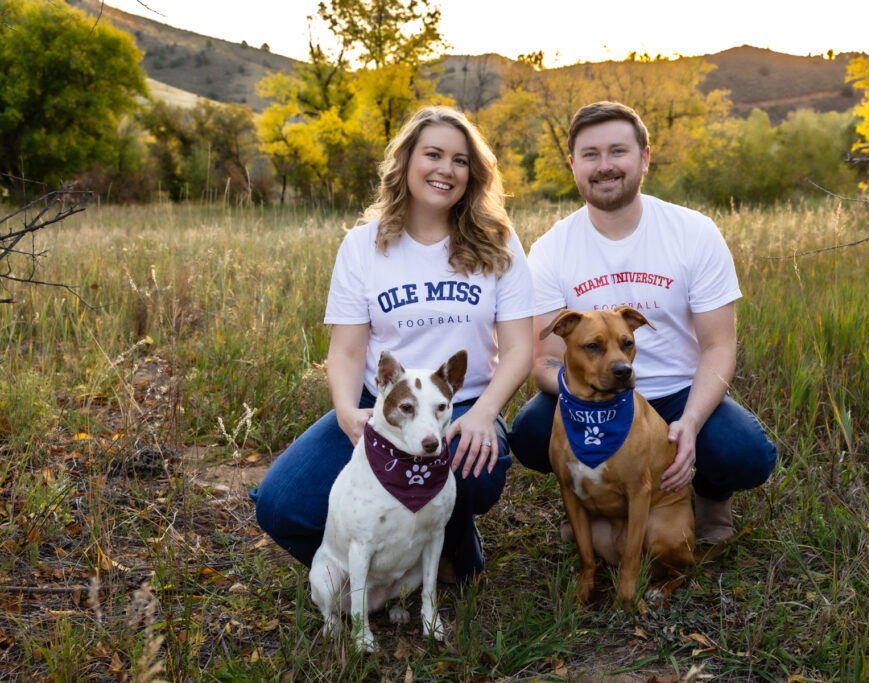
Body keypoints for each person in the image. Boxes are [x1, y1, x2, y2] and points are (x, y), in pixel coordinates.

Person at [250, 106, 534, 583]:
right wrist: (346, 413)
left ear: (474, 173)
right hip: (382, 405)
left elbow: (520, 348)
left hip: (459, 405)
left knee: (476, 476)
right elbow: (345, 351)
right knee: (281, 507)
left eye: (461, 160)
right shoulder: (363, 246)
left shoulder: (498, 242)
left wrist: (485, 413)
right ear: (405, 162)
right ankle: (381, 568)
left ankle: (451, 551)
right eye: (434, 154)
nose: (447, 169)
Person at [508, 101, 776, 544]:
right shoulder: (552, 249)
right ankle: (589, 496)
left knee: (744, 453)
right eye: (590, 155)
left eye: (618, 151)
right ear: (573, 165)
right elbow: (544, 360)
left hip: (675, 395)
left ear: (645, 158)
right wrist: (592, 400)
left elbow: (719, 346)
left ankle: (707, 496)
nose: (605, 166)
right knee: (532, 431)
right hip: (591, 397)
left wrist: (688, 423)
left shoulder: (694, 232)